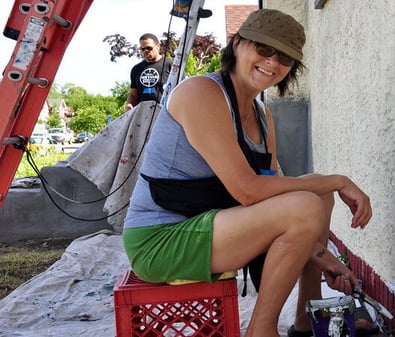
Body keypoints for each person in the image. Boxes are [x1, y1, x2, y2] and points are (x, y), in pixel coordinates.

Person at [122, 9, 372, 337]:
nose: (272, 62)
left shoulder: (261, 114)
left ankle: (307, 317)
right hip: (161, 238)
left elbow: (273, 193)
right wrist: (341, 181)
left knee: (317, 196)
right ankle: (261, 330)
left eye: (284, 57)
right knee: (307, 203)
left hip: (214, 226)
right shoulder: (201, 93)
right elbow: (248, 192)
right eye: (264, 48)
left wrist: (325, 256)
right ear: (238, 44)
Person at [125, 33, 173, 110]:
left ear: (158, 46)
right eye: (143, 49)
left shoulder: (172, 66)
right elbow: (133, 94)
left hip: (165, 112)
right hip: (142, 115)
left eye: (149, 48)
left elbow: (182, 90)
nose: (146, 51)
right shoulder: (136, 69)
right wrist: (129, 105)